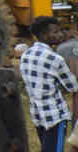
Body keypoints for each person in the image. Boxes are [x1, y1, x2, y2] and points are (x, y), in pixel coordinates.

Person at [21, 16, 78, 150]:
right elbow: (72, 86)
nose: (60, 35)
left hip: (37, 113)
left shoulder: (26, 54)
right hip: (55, 116)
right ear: (44, 35)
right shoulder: (55, 58)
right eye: (55, 32)